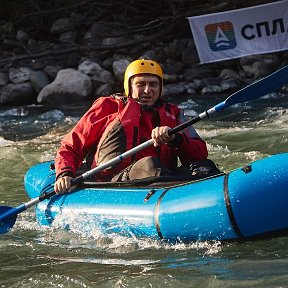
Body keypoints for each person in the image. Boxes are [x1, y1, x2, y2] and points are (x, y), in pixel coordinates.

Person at [54, 59, 210, 194]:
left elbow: (200, 155)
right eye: (141, 84)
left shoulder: (174, 113)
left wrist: (176, 139)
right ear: (129, 86)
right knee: (149, 164)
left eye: (153, 84)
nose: (148, 90)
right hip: (114, 181)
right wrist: (64, 173)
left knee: (206, 167)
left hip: (165, 178)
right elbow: (71, 146)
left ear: (160, 87)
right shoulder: (108, 106)